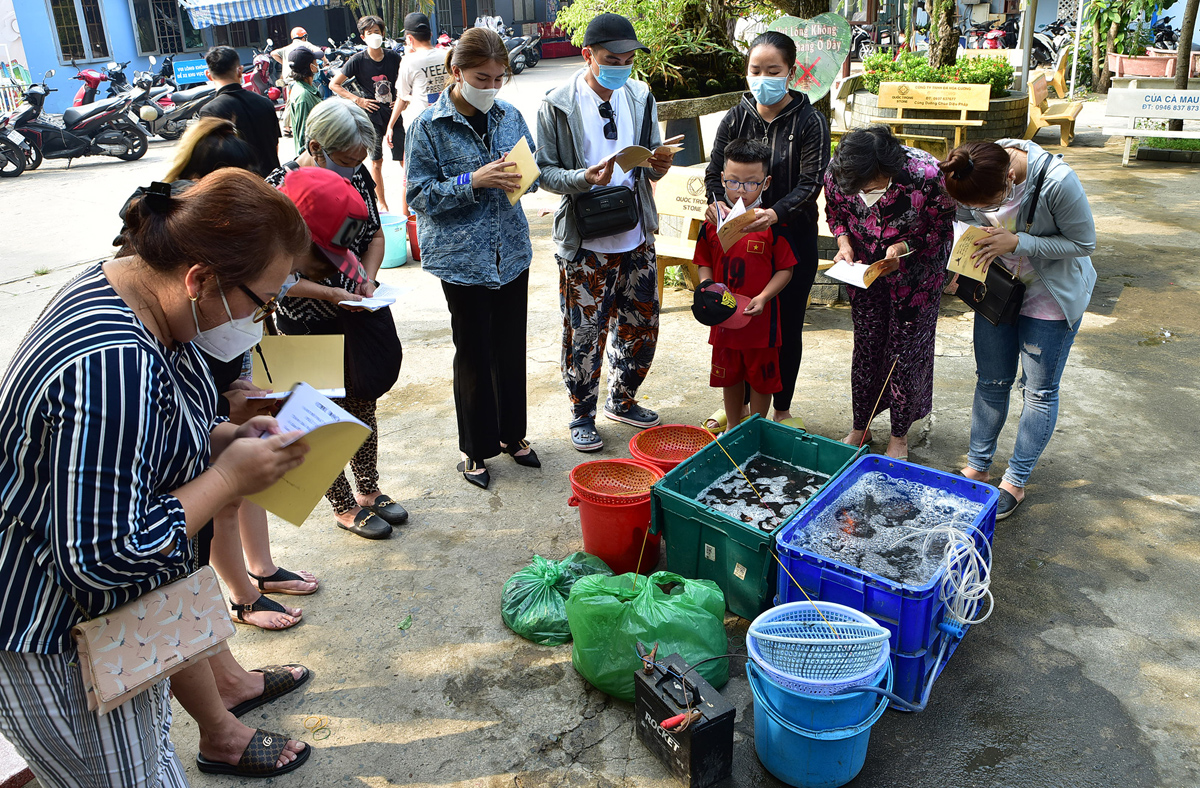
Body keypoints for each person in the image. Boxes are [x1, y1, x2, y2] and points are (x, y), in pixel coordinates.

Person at [0, 169, 313, 784]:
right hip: (58, 634)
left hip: (110, 620)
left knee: (145, 755)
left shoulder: (136, 297)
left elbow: (142, 446)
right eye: (262, 300)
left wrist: (224, 436)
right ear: (200, 279)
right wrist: (225, 480)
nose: (264, 318)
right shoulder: (110, 362)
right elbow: (105, 554)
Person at [265, 98, 409, 540]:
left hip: (354, 312)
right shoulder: (276, 190)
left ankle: (368, 490)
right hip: (302, 321)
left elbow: (374, 234)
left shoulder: (357, 175)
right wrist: (327, 292)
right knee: (317, 414)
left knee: (362, 401)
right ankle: (343, 505)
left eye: (359, 162)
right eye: (346, 161)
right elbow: (274, 276)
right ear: (315, 146)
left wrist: (366, 278)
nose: (353, 170)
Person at [406, 27, 539, 490]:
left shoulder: (509, 115)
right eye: (482, 78)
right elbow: (418, 196)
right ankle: (475, 450)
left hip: (512, 252)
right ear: (455, 72)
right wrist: (472, 181)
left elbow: (534, 177)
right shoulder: (428, 127)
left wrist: (518, 175)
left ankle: (513, 436)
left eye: (499, 78)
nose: (492, 88)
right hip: (462, 260)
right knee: (474, 353)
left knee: (510, 347)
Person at [535, 12, 675, 452]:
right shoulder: (557, 103)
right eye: (612, 58)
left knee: (642, 322)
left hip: (635, 230)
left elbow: (652, 156)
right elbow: (543, 173)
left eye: (629, 58)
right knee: (584, 332)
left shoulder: (640, 96)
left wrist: (660, 165)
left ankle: (622, 398)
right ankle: (581, 412)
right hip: (585, 237)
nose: (623, 66)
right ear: (588, 56)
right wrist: (582, 178)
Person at [941, 139, 1096, 520]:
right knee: (991, 381)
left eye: (990, 205)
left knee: (1038, 392)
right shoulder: (969, 169)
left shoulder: (1057, 182)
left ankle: (1016, 480)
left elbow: (1084, 242)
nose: (983, 213)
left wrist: (1019, 242)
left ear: (1010, 177)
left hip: (1049, 295)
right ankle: (978, 465)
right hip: (997, 290)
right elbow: (965, 218)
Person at [702, 30, 830, 433]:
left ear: (791, 71)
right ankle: (737, 408)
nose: (763, 77)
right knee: (735, 320)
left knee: (784, 325)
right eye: (755, 69)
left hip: (790, 236)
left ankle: (782, 408)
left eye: (773, 70)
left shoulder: (810, 121)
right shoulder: (736, 116)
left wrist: (775, 213)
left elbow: (812, 182)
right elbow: (713, 171)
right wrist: (715, 203)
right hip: (735, 241)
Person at [824, 126, 956, 460]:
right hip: (865, 273)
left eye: (871, 186)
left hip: (916, 277)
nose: (865, 193)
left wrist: (905, 247)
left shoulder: (926, 175)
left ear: (888, 170)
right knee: (867, 347)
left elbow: (943, 228)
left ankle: (899, 435)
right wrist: (843, 243)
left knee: (905, 354)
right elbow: (836, 214)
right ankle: (861, 424)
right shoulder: (840, 170)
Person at [693, 139, 796, 430]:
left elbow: (786, 270)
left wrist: (764, 297)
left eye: (751, 183)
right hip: (725, 315)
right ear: (722, 178)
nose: (741, 190)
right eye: (733, 182)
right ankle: (732, 426)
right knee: (730, 375)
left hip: (761, 320)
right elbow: (704, 261)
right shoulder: (714, 220)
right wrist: (708, 287)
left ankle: (757, 427)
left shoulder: (772, 223)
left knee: (762, 377)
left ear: (766, 183)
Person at [332, 15, 402, 212]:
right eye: (370, 33)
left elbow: (407, 80)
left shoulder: (394, 57)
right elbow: (334, 84)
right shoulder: (357, 60)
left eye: (377, 32)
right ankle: (382, 202)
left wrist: (403, 100)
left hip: (394, 115)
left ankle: (409, 201)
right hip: (372, 117)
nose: (374, 36)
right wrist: (358, 100)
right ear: (363, 37)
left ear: (383, 34)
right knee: (376, 160)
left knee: (404, 158)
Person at [385, 11, 449, 216]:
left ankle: (405, 223)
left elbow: (402, 97)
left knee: (410, 176)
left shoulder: (409, 62)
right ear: (431, 34)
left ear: (409, 38)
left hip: (419, 128)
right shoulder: (447, 54)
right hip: (447, 123)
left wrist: (390, 125)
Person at [199, 45, 281, 176]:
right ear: (240, 71)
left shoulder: (210, 111)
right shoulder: (266, 103)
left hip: (239, 189)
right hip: (272, 184)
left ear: (208, 75)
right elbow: (274, 147)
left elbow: (210, 160)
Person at [287, 46, 322, 154]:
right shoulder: (304, 96)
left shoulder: (306, 88)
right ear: (311, 67)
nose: (317, 65)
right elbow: (304, 137)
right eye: (315, 62)